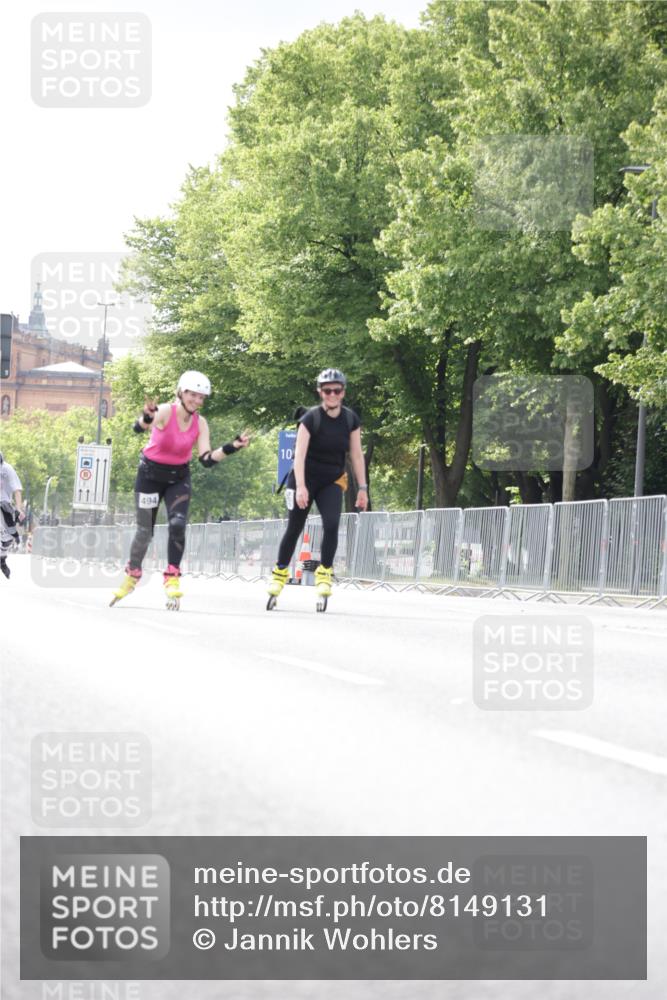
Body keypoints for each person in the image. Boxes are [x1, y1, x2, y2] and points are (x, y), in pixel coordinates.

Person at [111, 371, 249, 607]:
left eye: (201, 397)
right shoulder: (166, 411)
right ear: (181, 392)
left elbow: (206, 459)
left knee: (177, 524)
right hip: (149, 476)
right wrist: (146, 417)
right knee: (145, 531)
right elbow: (139, 428)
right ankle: (133, 572)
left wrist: (232, 447)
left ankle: (172, 576)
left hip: (178, 477)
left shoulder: (200, 423)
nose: (197, 400)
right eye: (193, 395)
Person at [268, 368, 368, 602]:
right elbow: (299, 457)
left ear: (343, 393)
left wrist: (363, 488)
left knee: (332, 524)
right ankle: (280, 572)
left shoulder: (350, 420)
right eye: (327, 390)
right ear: (320, 392)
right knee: (295, 526)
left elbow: (356, 456)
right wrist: (301, 487)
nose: (332, 394)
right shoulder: (310, 419)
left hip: (331, 479)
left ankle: (324, 573)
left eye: (337, 390)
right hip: (304, 477)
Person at [0, 451, 25, 580]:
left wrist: (19, 509)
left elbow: (17, 490)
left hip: (4, 503)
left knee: (9, 535)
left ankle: (2, 558)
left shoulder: (7, 469)